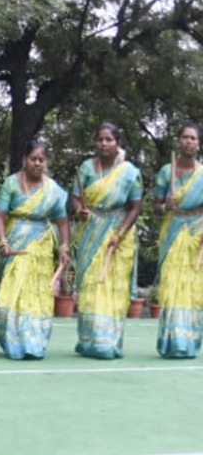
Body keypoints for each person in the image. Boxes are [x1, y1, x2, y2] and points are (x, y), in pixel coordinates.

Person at [68, 122, 143, 359]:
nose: (104, 144)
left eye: (109, 139)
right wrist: (80, 210)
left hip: (119, 234)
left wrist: (119, 234)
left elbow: (135, 207)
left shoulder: (130, 172)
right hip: (92, 231)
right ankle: (89, 341)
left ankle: (109, 342)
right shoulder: (87, 168)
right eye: (100, 139)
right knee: (91, 283)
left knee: (114, 288)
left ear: (117, 142)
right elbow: (75, 199)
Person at [0, 139, 70, 359]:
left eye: (41, 160)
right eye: (33, 159)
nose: (37, 163)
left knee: (37, 294)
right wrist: (3, 241)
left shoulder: (52, 189)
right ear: (25, 160)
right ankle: (13, 342)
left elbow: (62, 220)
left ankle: (33, 343)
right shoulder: (11, 184)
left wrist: (64, 245)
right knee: (12, 291)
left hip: (41, 246)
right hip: (15, 242)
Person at [151, 121, 203, 358]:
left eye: (193, 138)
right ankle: (171, 342)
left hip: (196, 234)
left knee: (191, 287)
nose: (189, 142)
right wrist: (165, 206)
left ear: (198, 144)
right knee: (171, 285)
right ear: (179, 141)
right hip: (172, 230)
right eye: (185, 137)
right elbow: (156, 207)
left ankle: (187, 342)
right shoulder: (166, 171)